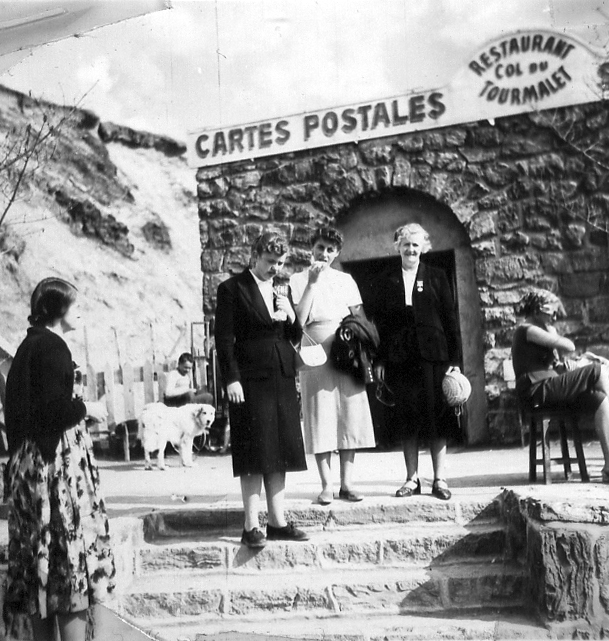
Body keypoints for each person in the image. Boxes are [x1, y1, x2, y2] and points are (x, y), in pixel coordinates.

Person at [3, 278, 115, 641]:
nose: (79, 309)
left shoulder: (27, 347)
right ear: (56, 310)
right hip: (56, 471)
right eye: (73, 304)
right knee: (69, 568)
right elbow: (52, 412)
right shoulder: (52, 347)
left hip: (28, 468)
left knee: (40, 569)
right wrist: (87, 407)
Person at [215, 232, 308, 549]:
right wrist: (231, 379)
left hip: (281, 376)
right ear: (254, 255)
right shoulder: (232, 289)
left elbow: (293, 334)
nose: (275, 268)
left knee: (280, 449)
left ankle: (278, 522)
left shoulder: (282, 288)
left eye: (280, 263)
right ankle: (251, 525)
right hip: (250, 380)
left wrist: (291, 312)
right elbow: (224, 340)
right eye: (270, 262)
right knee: (255, 450)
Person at [370, 223, 460, 500]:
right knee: (407, 418)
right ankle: (412, 478)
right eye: (406, 245)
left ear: (424, 248)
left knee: (437, 417)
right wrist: (381, 359)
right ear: (398, 246)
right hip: (401, 357)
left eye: (416, 245)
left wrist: (455, 360)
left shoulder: (436, 276)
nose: (411, 250)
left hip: (434, 356)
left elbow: (450, 319)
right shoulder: (387, 280)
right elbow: (381, 325)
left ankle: (440, 479)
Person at [290, 227, 376, 505]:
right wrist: (312, 284)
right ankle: (326, 484)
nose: (324, 253)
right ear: (310, 248)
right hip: (314, 348)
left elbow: (359, 316)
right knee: (319, 414)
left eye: (330, 249)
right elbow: (297, 322)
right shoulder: (298, 279)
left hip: (346, 348)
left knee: (350, 413)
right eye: (319, 247)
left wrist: (354, 339)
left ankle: (347, 483)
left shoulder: (346, 279)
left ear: (337, 252)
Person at [512, 289, 609, 481]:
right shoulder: (528, 330)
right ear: (539, 309)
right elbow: (569, 346)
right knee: (597, 370)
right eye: (552, 312)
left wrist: (567, 366)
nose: (555, 316)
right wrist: (553, 333)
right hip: (535, 390)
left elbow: (555, 365)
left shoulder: (540, 330)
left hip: (548, 387)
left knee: (601, 400)